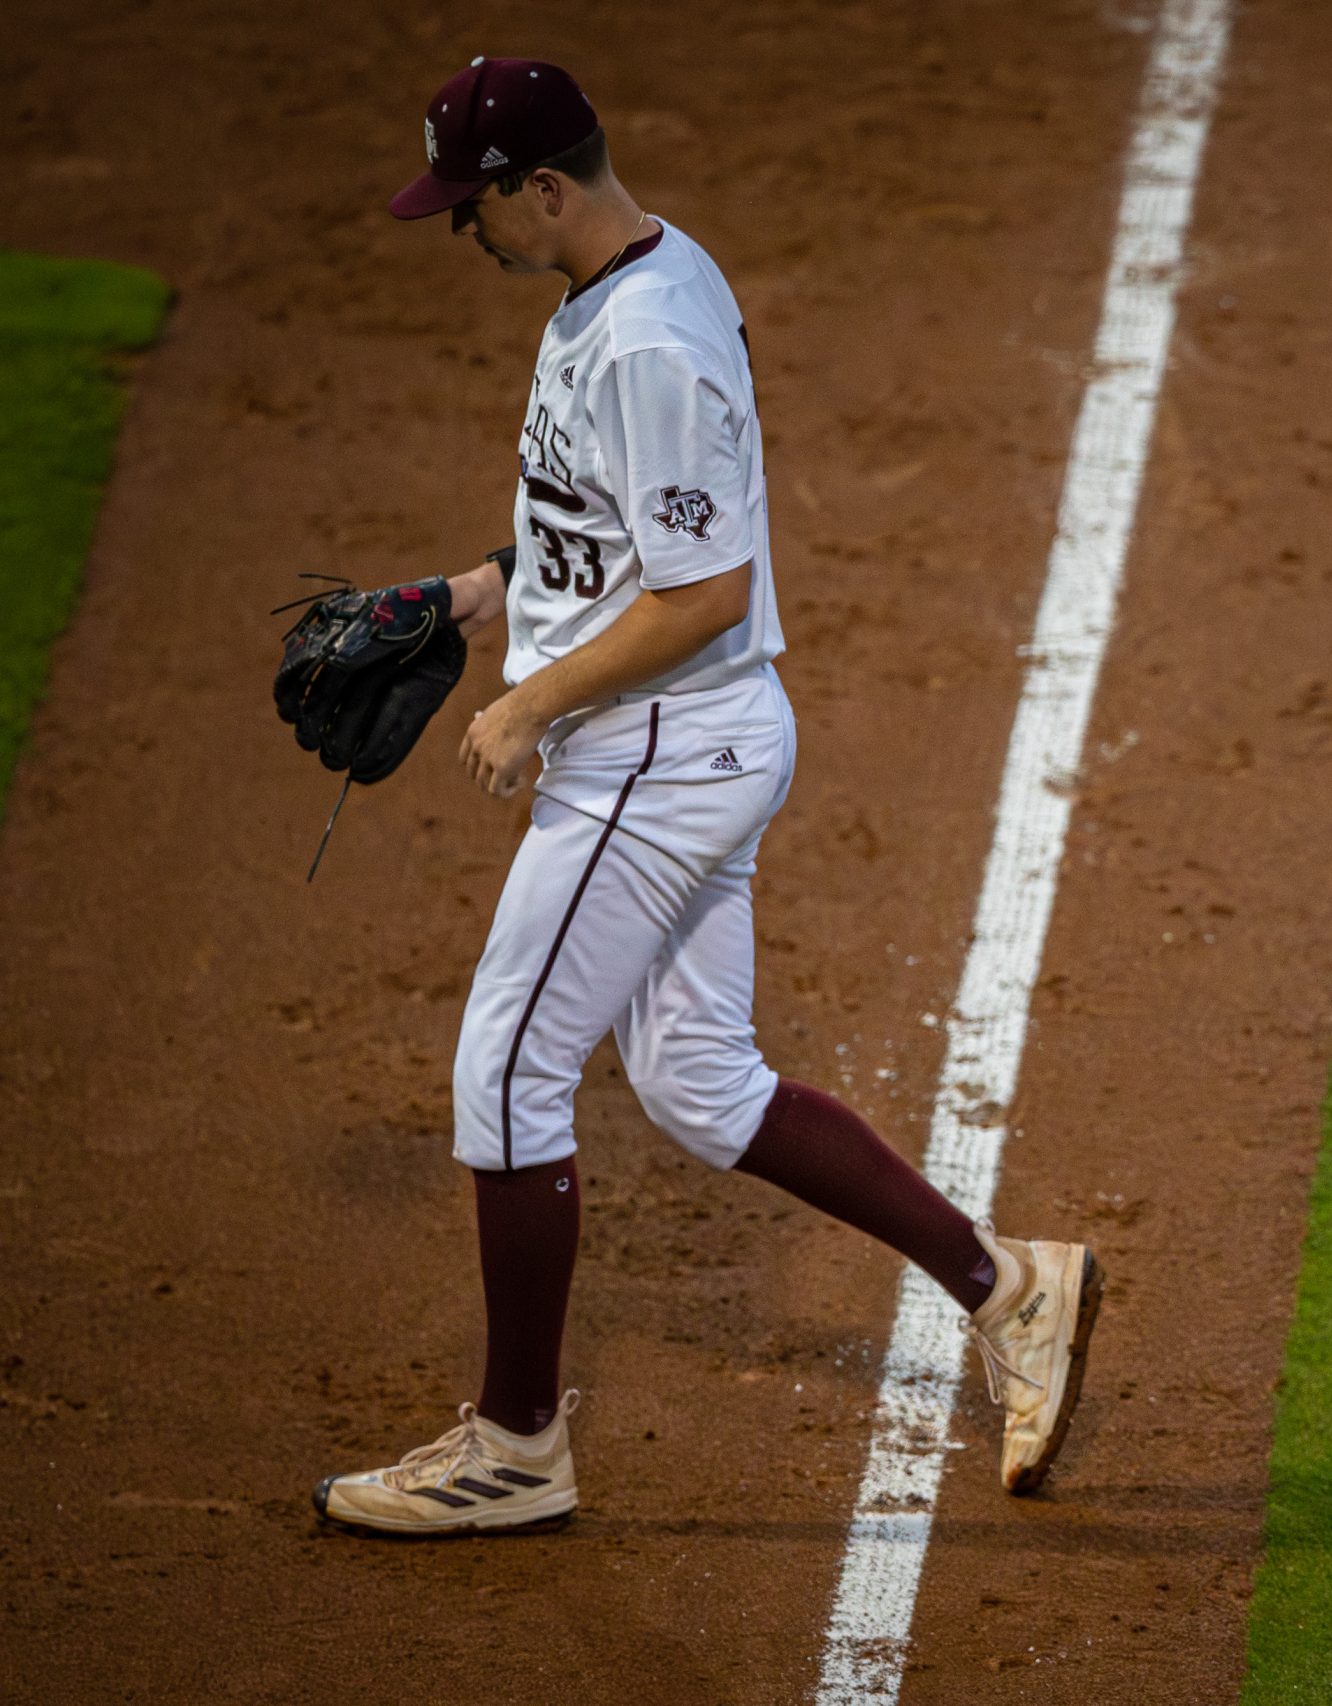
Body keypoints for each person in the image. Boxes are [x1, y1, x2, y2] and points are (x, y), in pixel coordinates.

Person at [311, 57, 1101, 1536]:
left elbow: (709, 590)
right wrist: (481, 594)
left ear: (544, 188)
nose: (460, 229)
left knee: (504, 1070)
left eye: (473, 203)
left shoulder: (648, 340)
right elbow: (602, 524)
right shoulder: (613, 290)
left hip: (657, 753)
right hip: (682, 741)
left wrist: (530, 702)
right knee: (695, 1080)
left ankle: (517, 1443)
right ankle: (1013, 1288)